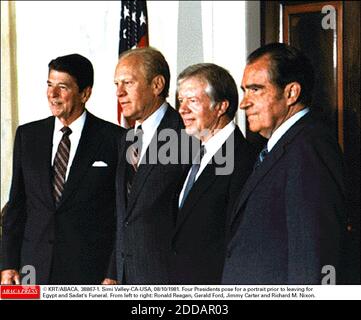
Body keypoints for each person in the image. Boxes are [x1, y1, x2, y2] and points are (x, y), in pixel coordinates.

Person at [222, 43, 347, 284]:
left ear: (291, 93)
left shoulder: (309, 148)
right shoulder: (277, 146)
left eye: (256, 90)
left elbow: (314, 254)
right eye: (244, 90)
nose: (244, 103)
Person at [1, 54, 124, 285]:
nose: (52, 94)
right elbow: (16, 206)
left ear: (85, 93)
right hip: (32, 272)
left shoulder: (114, 139)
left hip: (89, 274)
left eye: (62, 87)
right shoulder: (28, 136)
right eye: (49, 85)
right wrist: (7, 263)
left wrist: (113, 272)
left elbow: (120, 216)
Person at [103, 47, 188, 285]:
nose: (119, 93)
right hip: (125, 277)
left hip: (166, 279)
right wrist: (113, 272)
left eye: (127, 83)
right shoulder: (127, 138)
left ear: (157, 85)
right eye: (116, 84)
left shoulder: (186, 134)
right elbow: (124, 216)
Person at [170, 63, 255, 284]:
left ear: (221, 107)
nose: (182, 110)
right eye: (181, 101)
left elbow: (238, 242)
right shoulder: (193, 153)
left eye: (193, 101)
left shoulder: (243, 159)